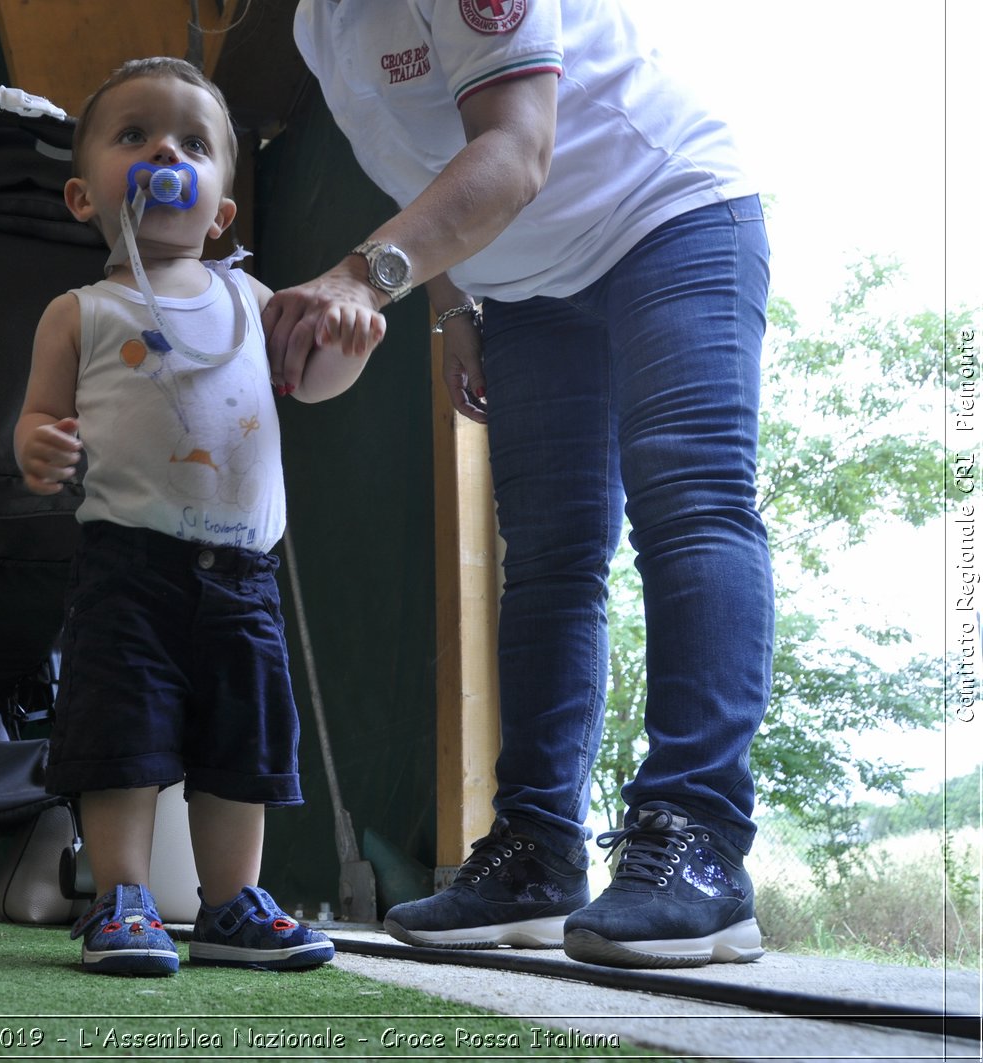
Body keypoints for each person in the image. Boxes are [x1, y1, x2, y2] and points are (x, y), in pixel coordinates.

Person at [265, 0, 774, 970]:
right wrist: (454, 306)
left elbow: (514, 144)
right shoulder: (316, 25)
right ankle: (534, 852)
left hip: (666, 210)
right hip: (525, 281)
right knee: (545, 556)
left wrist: (363, 279)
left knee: (690, 498)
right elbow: (418, 161)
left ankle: (699, 843)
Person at [14, 56, 385, 976]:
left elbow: (311, 384)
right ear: (81, 195)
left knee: (241, 745)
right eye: (133, 136)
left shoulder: (248, 298)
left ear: (221, 209)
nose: (162, 153)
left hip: (244, 575)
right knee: (120, 741)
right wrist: (38, 449)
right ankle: (123, 896)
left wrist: (349, 345)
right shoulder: (79, 312)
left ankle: (230, 903)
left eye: (190, 142)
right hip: (125, 569)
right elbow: (35, 420)